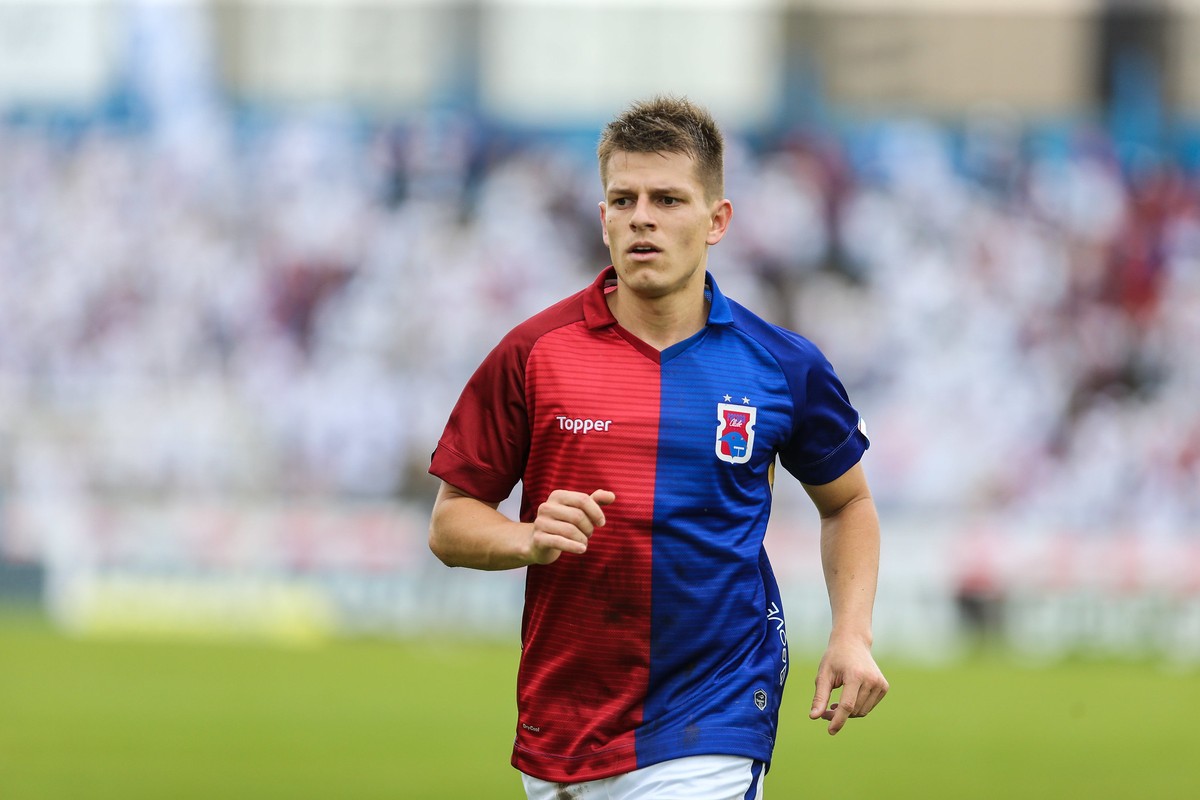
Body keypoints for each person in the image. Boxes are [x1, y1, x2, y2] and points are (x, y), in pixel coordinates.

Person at [428, 96, 888, 799]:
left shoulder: (781, 365)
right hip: (562, 731)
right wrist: (524, 537)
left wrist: (851, 634)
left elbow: (848, 501)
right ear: (603, 216)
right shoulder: (532, 355)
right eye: (624, 198)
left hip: (713, 720)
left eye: (669, 198)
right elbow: (450, 521)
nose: (642, 215)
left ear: (717, 220)